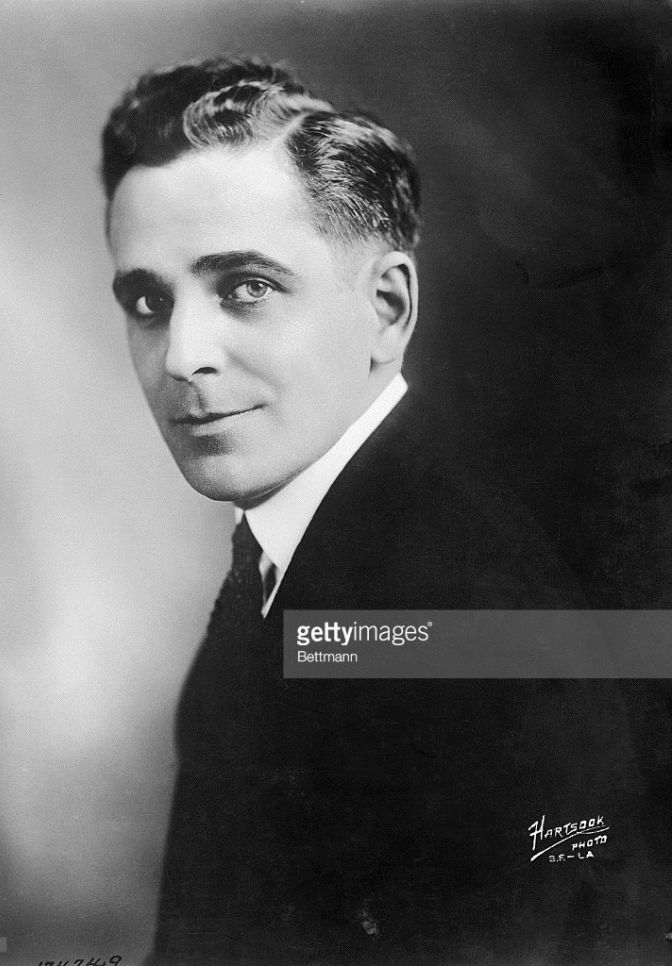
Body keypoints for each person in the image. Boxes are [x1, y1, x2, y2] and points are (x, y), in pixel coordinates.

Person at [101, 57, 662, 966]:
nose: (181, 355)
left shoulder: (460, 617)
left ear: (387, 309)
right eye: (148, 300)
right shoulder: (288, 562)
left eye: (245, 286)